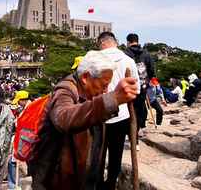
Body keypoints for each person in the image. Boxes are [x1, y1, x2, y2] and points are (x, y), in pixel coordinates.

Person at [29, 50, 138, 190]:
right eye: (103, 85)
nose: (105, 91)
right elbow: (64, 118)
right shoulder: (65, 91)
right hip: (56, 183)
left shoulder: (90, 95)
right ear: (86, 77)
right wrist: (114, 98)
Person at [96, 32, 139, 190]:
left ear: (101, 43)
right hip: (121, 115)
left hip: (97, 114)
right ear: (115, 42)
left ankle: (96, 184)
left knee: (96, 155)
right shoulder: (128, 61)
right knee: (115, 156)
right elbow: (137, 89)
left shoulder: (94, 58)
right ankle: (110, 185)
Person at [124, 33, 155, 136]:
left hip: (128, 86)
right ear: (137, 41)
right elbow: (151, 70)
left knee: (128, 109)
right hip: (142, 86)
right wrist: (146, 81)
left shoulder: (125, 54)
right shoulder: (146, 54)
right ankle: (139, 129)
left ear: (128, 42)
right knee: (140, 108)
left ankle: (131, 132)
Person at [8, 90, 30, 190]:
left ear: (23, 100)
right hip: (20, 138)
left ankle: (14, 185)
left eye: (19, 101)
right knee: (13, 162)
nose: (17, 103)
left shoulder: (29, 108)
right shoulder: (23, 108)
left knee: (16, 162)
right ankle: (14, 185)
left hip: (26, 139)